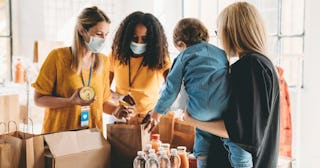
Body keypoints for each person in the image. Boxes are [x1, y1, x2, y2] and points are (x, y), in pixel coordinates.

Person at [184, 2, 280, 168]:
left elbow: (239, 132)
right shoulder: (263, 65)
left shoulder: (249, 66)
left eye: (219, 31)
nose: (219, 38)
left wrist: (192, 120)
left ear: (232, 32)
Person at [145, 18, 233, 168]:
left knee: (202, 130)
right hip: (224, 107)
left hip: (199, 109)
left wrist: (157, 112)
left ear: (181, 44)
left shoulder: (183, 56)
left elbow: (171, 88)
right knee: (229, 139)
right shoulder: (221, 53)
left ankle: (202, 160)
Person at [32, 6, 131, 134]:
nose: (103, 40)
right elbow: (38, 99)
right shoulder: (58, 57)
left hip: (92, 136)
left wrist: (117, 110)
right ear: (81, 31)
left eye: (106, 35)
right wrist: (70, 102)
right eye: (98, 34)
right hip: (59, 137)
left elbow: (102, 102)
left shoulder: (104, 61)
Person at [108, 11, 171, 117]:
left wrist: (157, 111)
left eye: (145, 39)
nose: (139, 43)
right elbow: (103, 89)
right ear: (126, 37)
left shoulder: (160, 58)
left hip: (149, 118)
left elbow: (172, 90)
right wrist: (119, 97)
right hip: (120, 116)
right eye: (134, 38)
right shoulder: (115, 55)